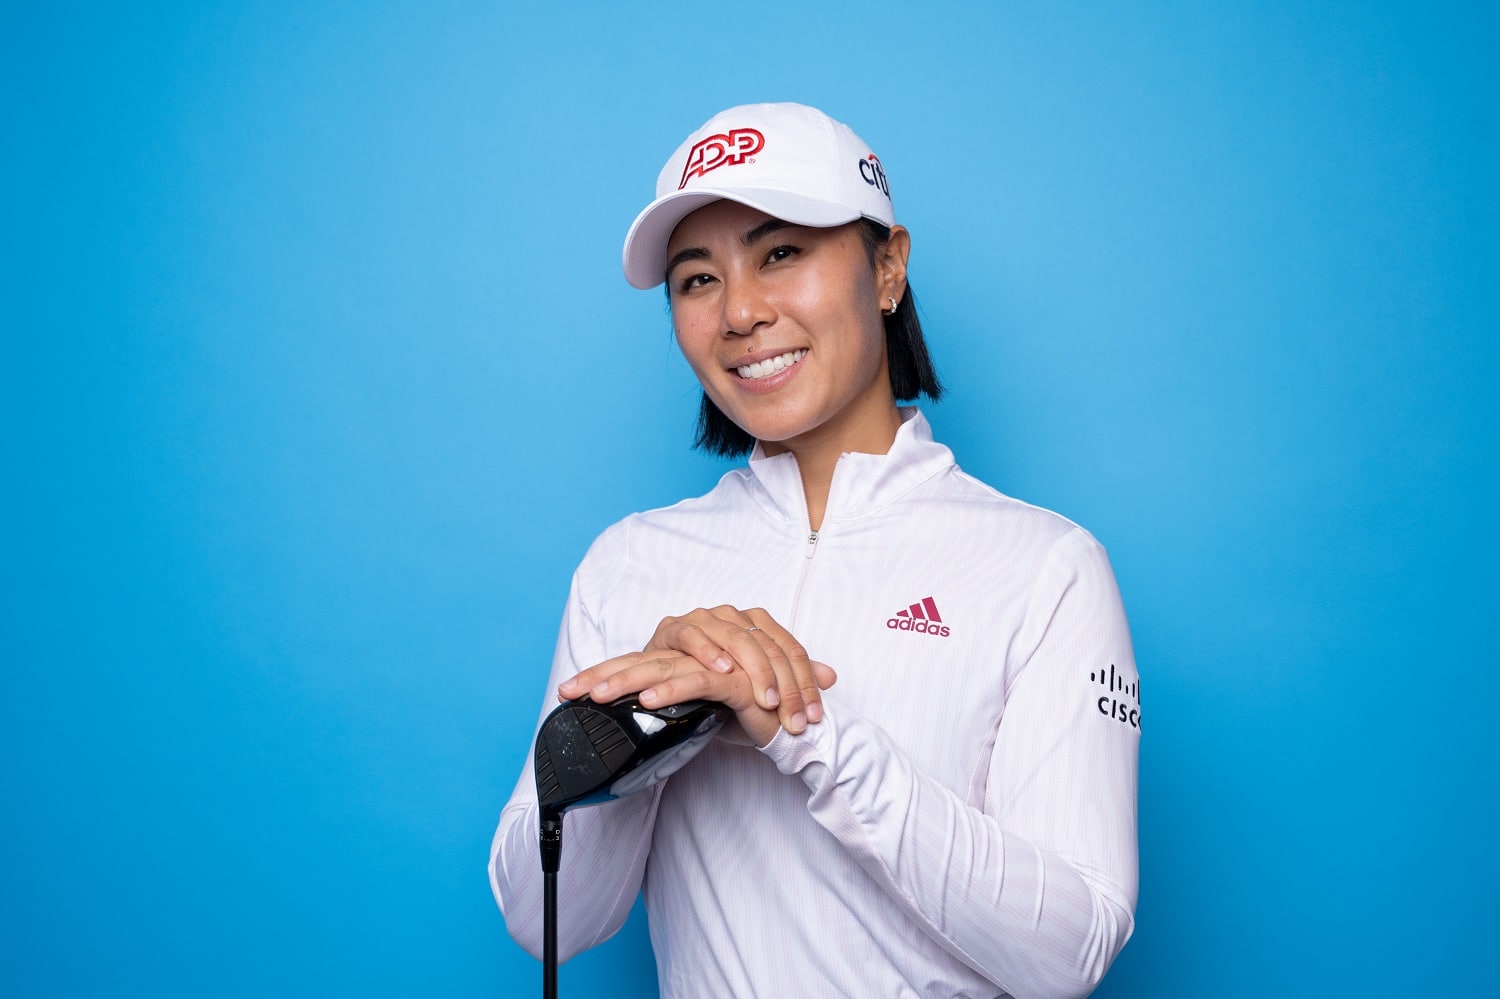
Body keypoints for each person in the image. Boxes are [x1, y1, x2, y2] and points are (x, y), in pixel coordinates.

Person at [490, 102, 1140, 998]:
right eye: (696, 279)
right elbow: (545, 920)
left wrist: (807, 732)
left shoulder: (1046, 567)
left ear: (887, 267)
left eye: (780, 253)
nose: (740, 313)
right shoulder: (628, 564)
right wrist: (643, 725)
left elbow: (1071, 951)